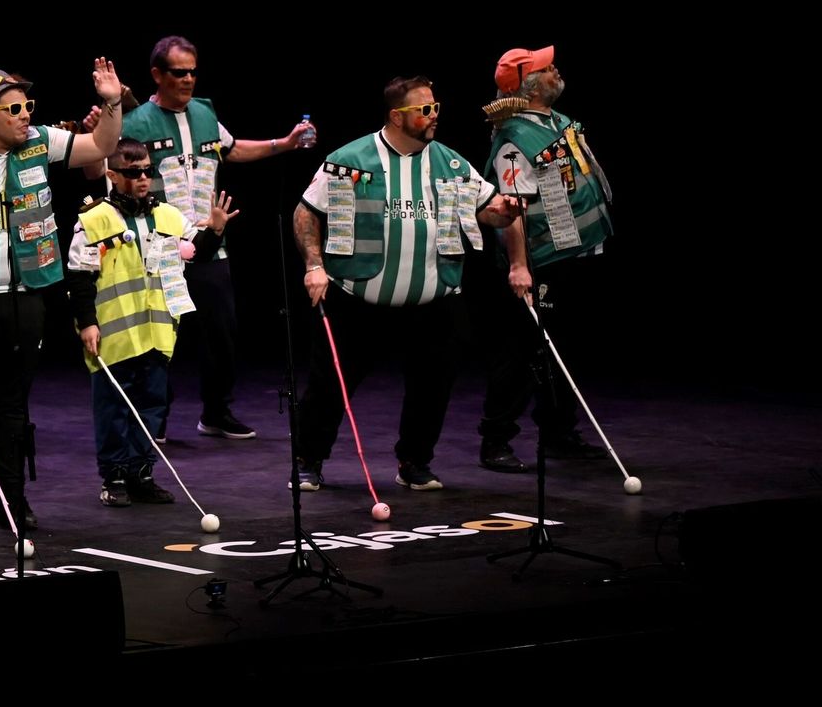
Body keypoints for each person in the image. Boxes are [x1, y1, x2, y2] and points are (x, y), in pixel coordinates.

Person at [0, 60, 125, 533]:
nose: (26, 115)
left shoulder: (39, 144)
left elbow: (102, 146)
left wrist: (112, 102)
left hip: (27, 297)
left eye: (28, 106)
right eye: (15, 108)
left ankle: (13, 499)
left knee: (14, 405)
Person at [292, 75, 522, 491]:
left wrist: (504, 211)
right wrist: (314, 265)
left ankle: (415, 462)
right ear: (398, 116)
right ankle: (308, 460)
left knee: (432, 388)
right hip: (359, 299)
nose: (435, 116)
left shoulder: (450, 162)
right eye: (425, 110)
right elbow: (306, 212)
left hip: (434, 302)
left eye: (436, 107)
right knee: (329, 386)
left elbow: (488, 209)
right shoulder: (351, 159)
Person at [120, 36, 315, 441]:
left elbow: (232, 149)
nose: (188, 79)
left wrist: (284, 143)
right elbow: (113, 173)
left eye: (193, 71)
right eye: (179, 72)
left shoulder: (205, 113)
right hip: (159, 247)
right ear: (157, 75)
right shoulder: (135, 122)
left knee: (223, 331)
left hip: (210, 241)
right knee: (158, 337)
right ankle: (152, 419)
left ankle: (215, 413)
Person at [66, 138, 235, 507]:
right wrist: (87, 324)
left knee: (152, 407)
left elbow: (199, 253)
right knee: (113, 409)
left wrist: (216, 230)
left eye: (147, 170)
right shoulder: (93, 221)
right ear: (112, 175)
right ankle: (114, 478)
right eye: (133, 172)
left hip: (157, 331)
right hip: (112, 334)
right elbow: (79, 280)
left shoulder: (168, 216)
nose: (143, 178)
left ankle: (141, 474)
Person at [477, 46, 614, 471]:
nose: (556, 69)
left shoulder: (555, 122)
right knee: (520, 350)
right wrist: (519, 266)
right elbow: (510, 209)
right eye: (545, 67)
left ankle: (558, 432)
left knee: (564, 349)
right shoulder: (513, 140)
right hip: (541, 260)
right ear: (529, 85)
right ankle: (496, 439)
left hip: (576, 252)